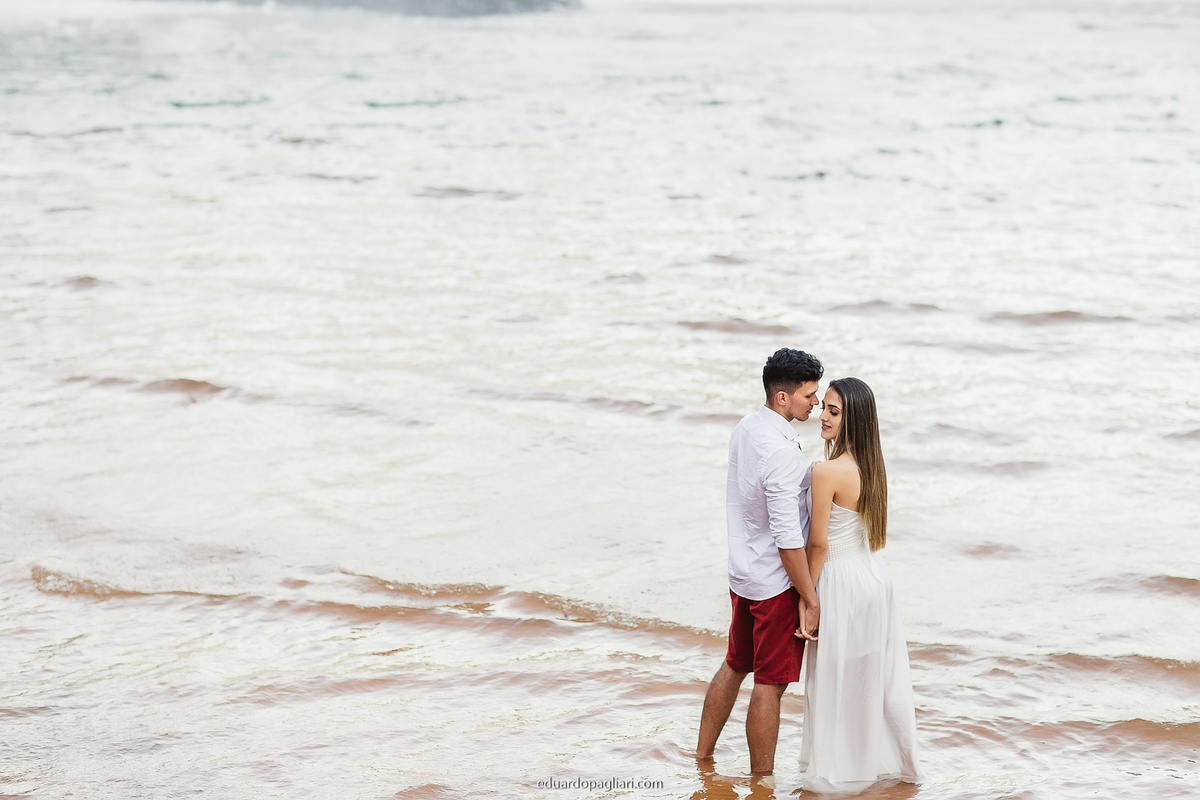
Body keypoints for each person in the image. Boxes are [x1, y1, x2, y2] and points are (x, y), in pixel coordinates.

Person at [696, 348, 824, 783]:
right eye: (810, 395)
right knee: (770, 684)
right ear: (783, 398)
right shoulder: (782, 453)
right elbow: (790, 542)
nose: (817, 403)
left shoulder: (747, 428)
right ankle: (762, 781)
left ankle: (702, 759)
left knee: (734, 663)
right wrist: (810, 597)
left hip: (742, 572)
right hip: (774, 583)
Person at [797, 377, 924, 794]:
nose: (823, 415)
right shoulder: (871, 468)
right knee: (871, 680)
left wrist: (808, 598)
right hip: (873, 579)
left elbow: (817, 545)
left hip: (842, 583)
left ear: (853, 421)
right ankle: (882, 766)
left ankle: (840, 772)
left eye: (834, 411)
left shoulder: (825, 471)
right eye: (825, 407)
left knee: (832, 680)